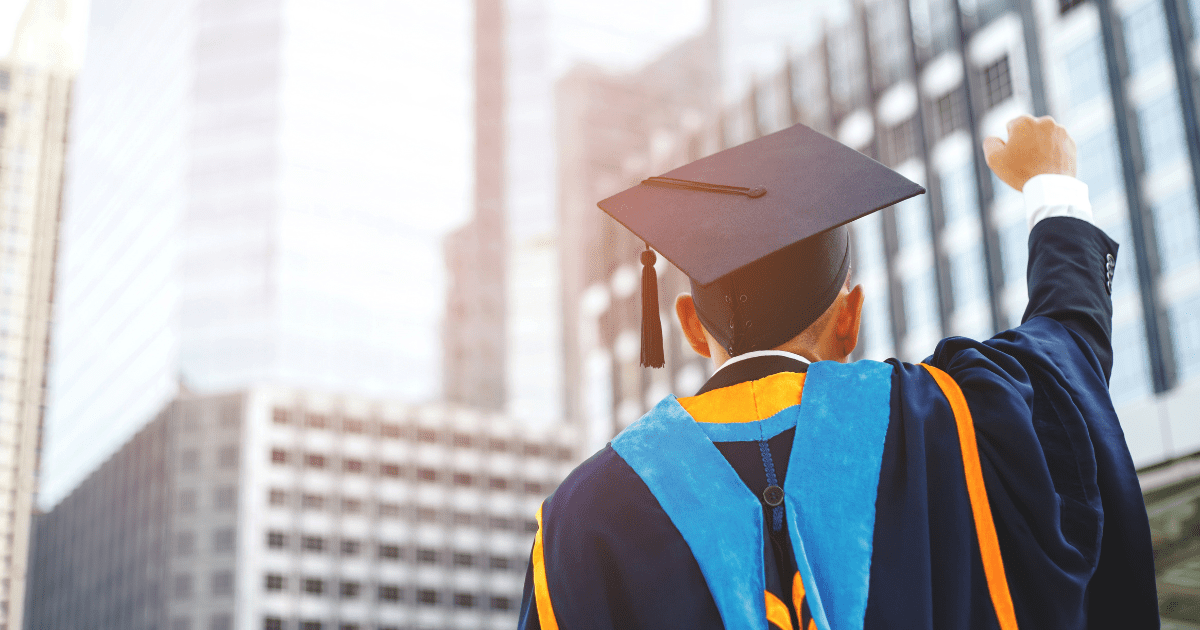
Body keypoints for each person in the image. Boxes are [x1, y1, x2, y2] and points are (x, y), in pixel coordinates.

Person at [518, 116, 1158, 630]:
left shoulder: (578, 519)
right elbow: (1065, 350)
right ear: (849, 318)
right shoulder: (951, 417)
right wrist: (1054, 184)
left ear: (688, 324)